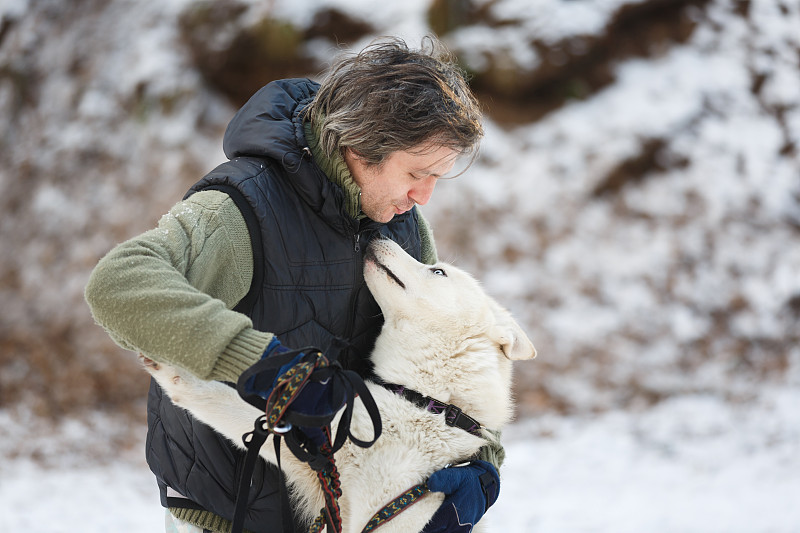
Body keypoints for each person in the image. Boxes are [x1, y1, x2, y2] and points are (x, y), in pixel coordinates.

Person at [85, 36, 504, 533]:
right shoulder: (241, 209)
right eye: (417, 172)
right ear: (364, 144)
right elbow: (117, 283)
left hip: (343, 515)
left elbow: (440, 371)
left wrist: (483, 463)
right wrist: (261, 365)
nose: (425, 196)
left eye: (438, 176)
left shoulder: (402, 226)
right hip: (232, 511)